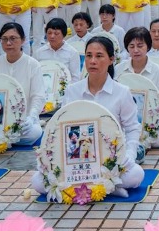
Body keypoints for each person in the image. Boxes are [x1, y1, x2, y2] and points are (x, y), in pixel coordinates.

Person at [32, 36, 145, 196]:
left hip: (109, 159)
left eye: (99, 56)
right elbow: (59, 128)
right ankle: (107, 187)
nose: (93, 61)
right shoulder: (73, 91)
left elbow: (133, 128)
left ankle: (94, 185)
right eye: (89, 56)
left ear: (111, 59)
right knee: (37, 181)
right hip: (76, 160)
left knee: (136, 175)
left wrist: (129, 154)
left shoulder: (122, 92)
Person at [0, 22, 44, 144]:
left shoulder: (32, 65)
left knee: (34, 132)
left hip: (23, 121)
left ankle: (0, 141)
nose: (8, 43)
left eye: (13, 38)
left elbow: (38, 96)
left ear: (23, 40)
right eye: (4, 39)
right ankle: (2, 139)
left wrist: (31, 117)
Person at [115, 27, 159, 148]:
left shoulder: (157, 71)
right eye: (131, 46)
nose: (136, 50)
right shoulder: (119, 69)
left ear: (148, 47)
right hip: (125, 122)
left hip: (148, 122)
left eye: (140, 46)